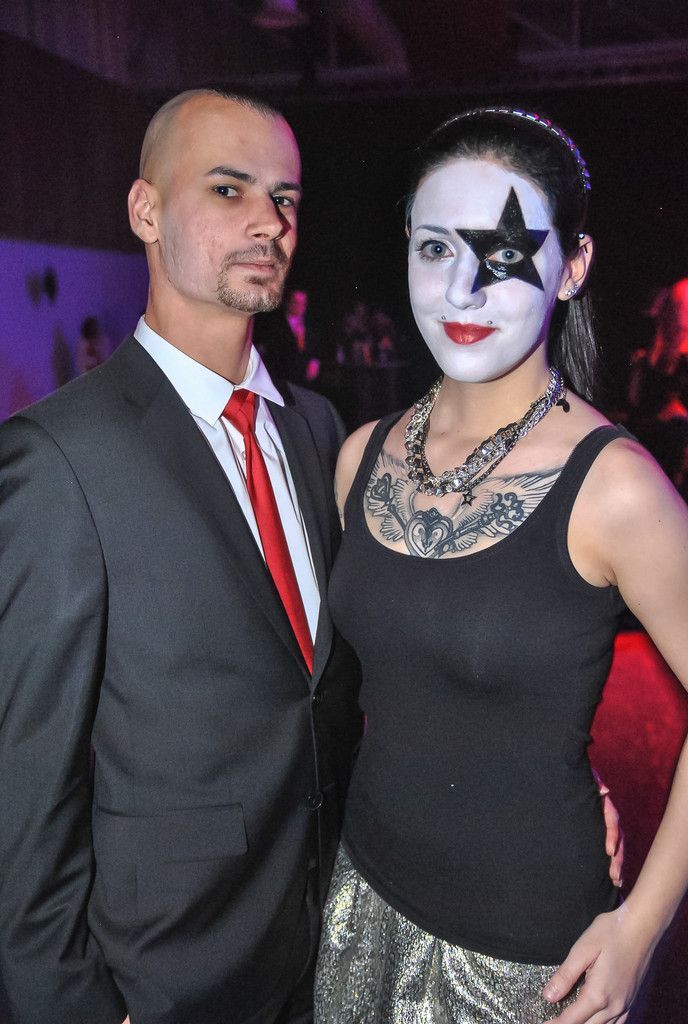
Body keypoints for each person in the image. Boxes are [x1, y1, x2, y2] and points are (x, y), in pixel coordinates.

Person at [314, 108, 688, 1023]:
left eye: (505, 252)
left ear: (575, 265)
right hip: (359, 898)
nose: (462, 289)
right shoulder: (361, 456)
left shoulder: (615, 488)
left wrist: (640, 927)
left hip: (521, 953)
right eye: (435, 248)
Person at [0, 89, 362, 1024]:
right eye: (229, 190)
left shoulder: (317, 430)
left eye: (284, 198)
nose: (268, 222)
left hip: (327, 957)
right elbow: (24, 793)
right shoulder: (60, 457)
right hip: (164, 980)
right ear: (146, 211)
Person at [256, 287, 322, 387]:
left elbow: (315, 349)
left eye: (303, 303)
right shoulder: (276, 325)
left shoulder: (309, 325)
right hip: (282, 380)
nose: (300, 307)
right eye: (296, 303)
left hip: (305, 382)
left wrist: (315, 361)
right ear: (288, 302)